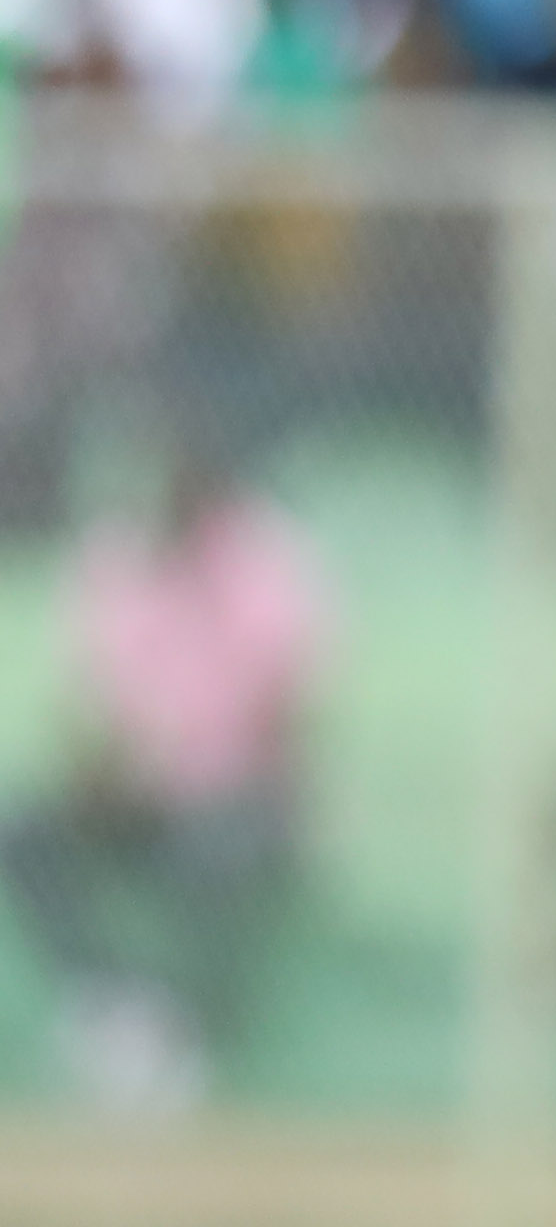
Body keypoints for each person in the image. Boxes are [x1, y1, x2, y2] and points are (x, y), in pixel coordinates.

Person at [4, 415, 329, 1113]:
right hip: (136, 792)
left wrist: (206, 776)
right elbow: (87, 702)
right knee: (23, 831)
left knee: (217, 856)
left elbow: (289, 710)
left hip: (237, 791)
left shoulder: (262, 556)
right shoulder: (113, 554)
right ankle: (114, 1002)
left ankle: (187, 1031)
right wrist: (106, 770)